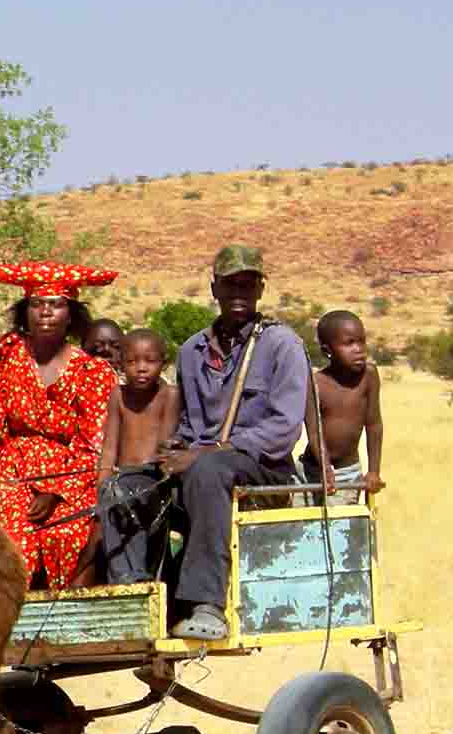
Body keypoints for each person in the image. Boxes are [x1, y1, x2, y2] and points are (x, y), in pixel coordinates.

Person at [157, 245, 309, 640]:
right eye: (230, 284)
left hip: (265, 471)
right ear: (214, 289)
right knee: (129, 484)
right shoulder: (192, 351)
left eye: (247, 283)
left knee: (208, 470)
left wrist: (206, 453)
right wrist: (176, 448)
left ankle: (207, 606)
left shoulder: (282, 345)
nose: (239, 292)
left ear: (260, 289)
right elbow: (191, 425)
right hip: (205, 468)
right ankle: (145, 597)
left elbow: (283, 430)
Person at [0, 260, 119, 589]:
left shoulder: (92, 371)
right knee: (6, 529)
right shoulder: (7, 356)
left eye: (57, 305)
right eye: (37, 304)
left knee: (68, 531)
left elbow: (94, 442)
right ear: (24, 312)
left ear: (71, 314)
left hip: (71, 476)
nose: (46, 312)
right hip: (12, 468)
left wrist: (55, 491)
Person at [97, 329, 181, 583]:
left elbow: (165, 447)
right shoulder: (118, 396)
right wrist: (102, 483)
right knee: (111, 495)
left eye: (150, 361)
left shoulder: (170, 395)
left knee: (125, 494)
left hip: (153, 478)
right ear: (121, 365)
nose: (141, 368)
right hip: (120, 482)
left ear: (163, 364)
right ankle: (127, 577)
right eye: (132, 362)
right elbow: (110, 446)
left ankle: (129, 576)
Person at [301, 309, 385, 499]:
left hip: (348, 473)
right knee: (306, 527)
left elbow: (374, 425)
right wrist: (325, 467)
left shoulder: (369, 376)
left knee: (343, 527)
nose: (359, 349)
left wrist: (373, 471)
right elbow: (314, 431)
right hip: (314, 472)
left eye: (362, 341)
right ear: (327, 351)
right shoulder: (316, 383)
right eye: (349, 343)